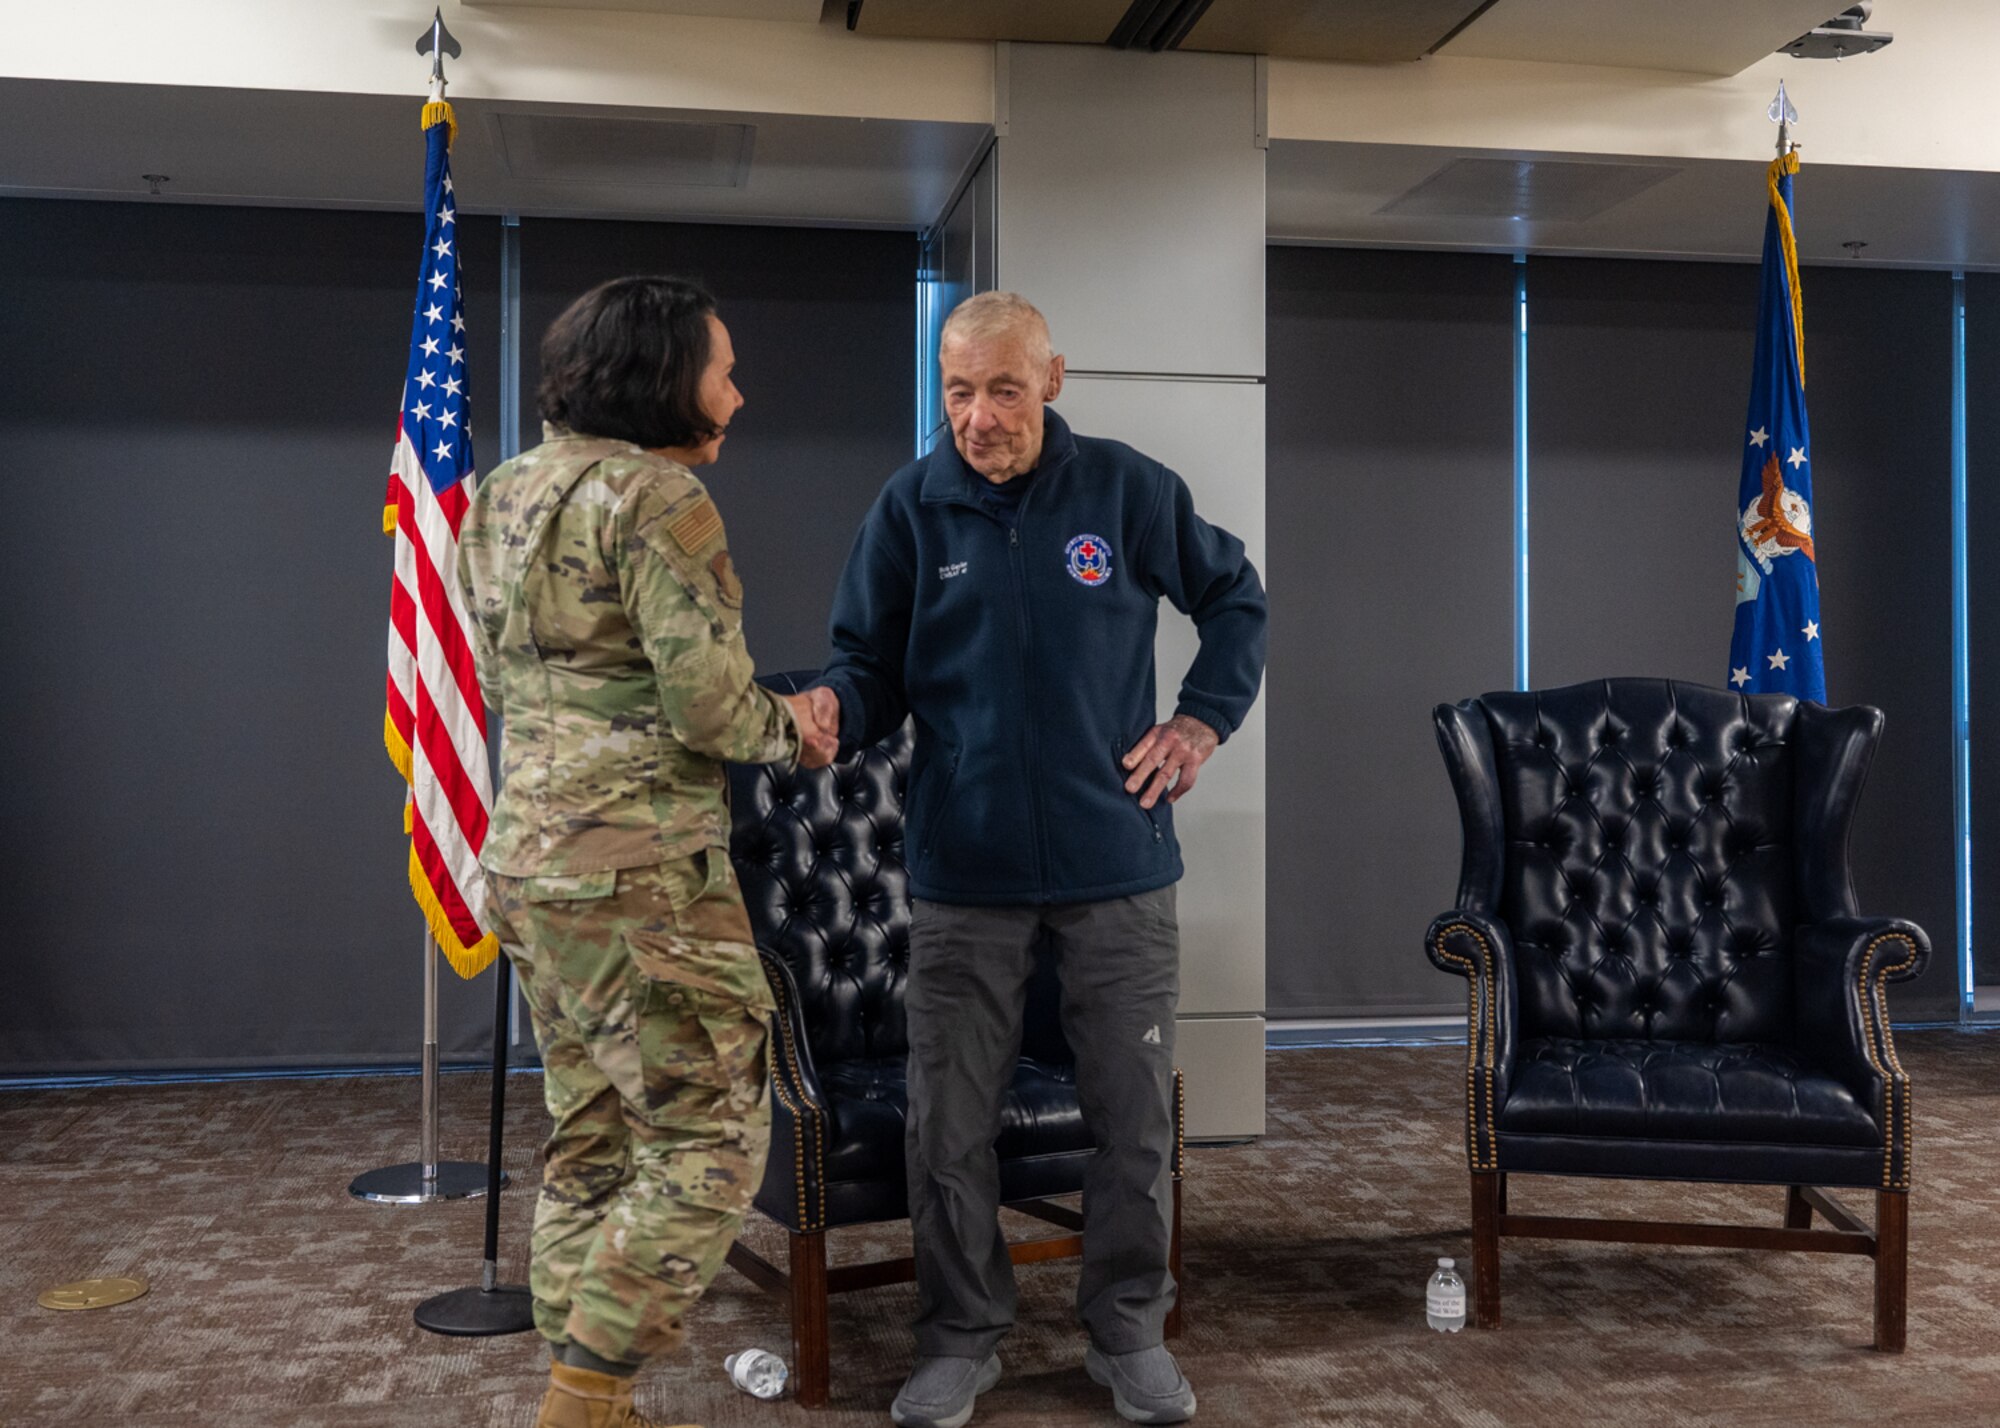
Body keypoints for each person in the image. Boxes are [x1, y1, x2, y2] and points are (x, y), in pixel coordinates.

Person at [808, 292, 1267, 1427]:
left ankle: (1126, 1329)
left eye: (1001, 389)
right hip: (967, 874)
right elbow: (865, 667)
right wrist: (830, 705)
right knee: (947, 1125)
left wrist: (1200, 720)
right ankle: (960, 1336)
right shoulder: (910, 508)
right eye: (956, 392)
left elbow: (1234, 600)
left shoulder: (1124, 489)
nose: (977, 417)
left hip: (1117, 868)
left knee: (1131, 1122)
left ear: (1051, 380)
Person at [458, 275, 837, 1428]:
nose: (736, 391)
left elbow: (492, 682)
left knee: (593, 1132)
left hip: (527, 859)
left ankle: (589, 1395)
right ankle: (582, 1403)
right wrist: (801, 729)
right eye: (721, 370)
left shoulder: (499, 491)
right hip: (640, 877)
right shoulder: (657, 497)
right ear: (665, 377)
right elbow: (713, 711)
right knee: (710, 1141)